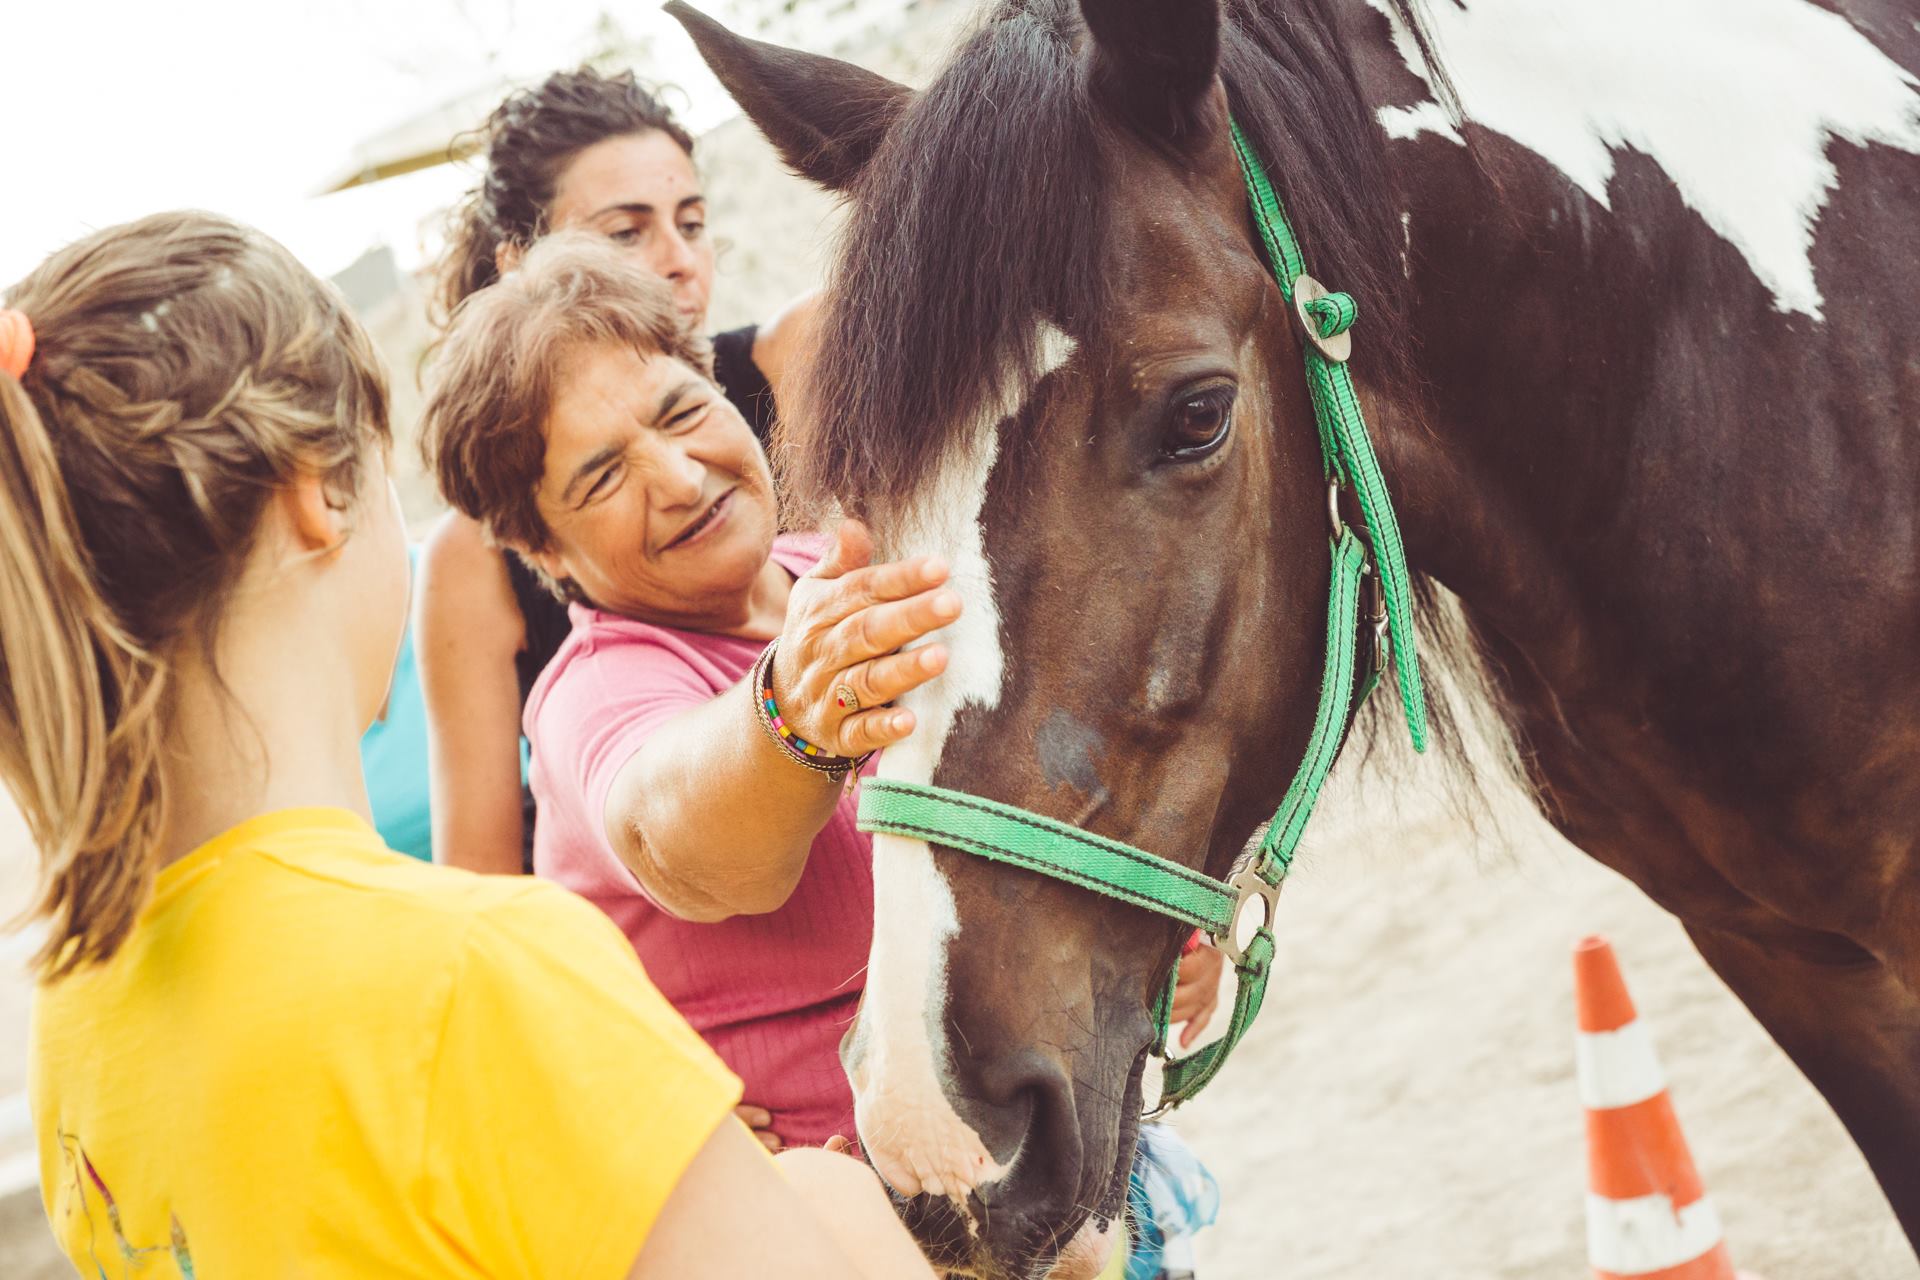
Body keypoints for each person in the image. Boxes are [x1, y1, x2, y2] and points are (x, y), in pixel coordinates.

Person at [0, 211, 930, 1278]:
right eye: (598, 474)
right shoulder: (474, 980)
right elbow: (668, 809)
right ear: (320, 496)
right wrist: (824, 1200)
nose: (674, 476)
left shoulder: (74, 1020)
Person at [420, 233, 1229, 1155]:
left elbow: (1036, 762)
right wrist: (792, 715)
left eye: (682, 412)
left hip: (1056, 1157)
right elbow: (679, 833)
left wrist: (1167, 925)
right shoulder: (594, 695)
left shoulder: (837, 573)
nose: (680, 479)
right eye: (603, 475)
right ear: (545, 553)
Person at [417, 66, 809, 877]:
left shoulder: (793, 364)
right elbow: (482, 873)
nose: (677, 261)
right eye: (626, 234)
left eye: (692, 222)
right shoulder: (473, 555)